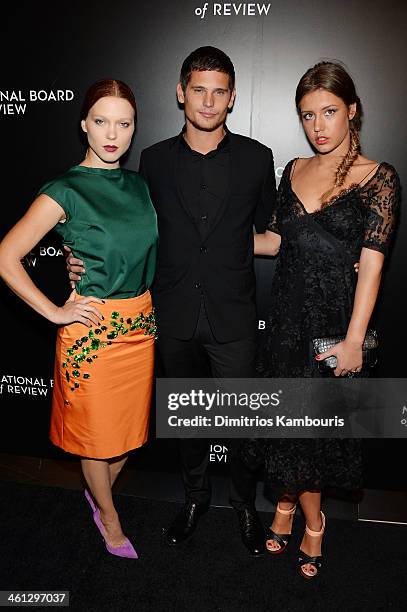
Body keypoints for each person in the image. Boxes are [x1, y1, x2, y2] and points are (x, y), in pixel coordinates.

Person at [67, 47, 277, 556]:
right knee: (186, 422)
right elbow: (128, 229)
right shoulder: (152, 161)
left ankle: (245, 505)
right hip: (173, 315)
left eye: (219, 91)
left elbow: (268, 237)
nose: (209, 100)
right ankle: (195, 498)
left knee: (244, 427)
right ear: (181, 93)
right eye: (198, 89)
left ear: (232, 98)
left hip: (235, 316)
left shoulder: (257, 157)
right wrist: (79, 258)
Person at [252, 61, 400, 578]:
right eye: (308, 114)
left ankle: (307, 520)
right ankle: (292, 506)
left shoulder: (379, 178)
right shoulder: (291, 169)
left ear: (352, 111)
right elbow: (273, 241)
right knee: (290, 430)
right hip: (286, 324)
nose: (318, 125)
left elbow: (374, 266)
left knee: (313, 433)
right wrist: (212, 241)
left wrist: (355, 339)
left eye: (329, 112)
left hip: (334, 326)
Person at [0, 79, 158, 559]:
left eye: (124, 123)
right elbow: (7, 256)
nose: (113, 133)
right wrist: (54, 311)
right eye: (102, 121)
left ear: (134, 128)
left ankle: (97, 493)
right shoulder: (65, 189)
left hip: (141, 327)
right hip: (92, 332)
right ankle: (108, 517)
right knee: (97, 441)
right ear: (84, 125)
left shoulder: (138, 183)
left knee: (128, 438)